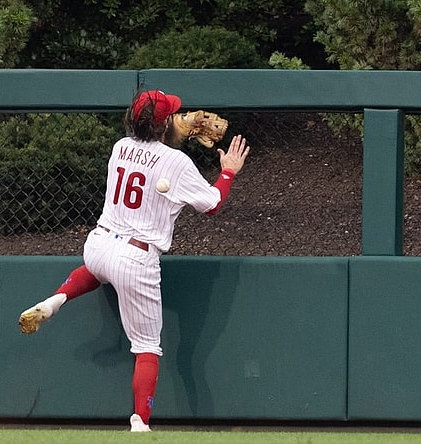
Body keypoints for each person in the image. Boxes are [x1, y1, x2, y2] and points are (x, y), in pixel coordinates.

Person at [18, 89, 250, 432]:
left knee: (96, 272)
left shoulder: (120, 147)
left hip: (99, 244)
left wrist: (169, 132)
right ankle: (140, 423)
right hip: (136, 257)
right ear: (165, 123)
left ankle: (56, 300)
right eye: (173, 115)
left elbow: (152, 156)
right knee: (146, 348)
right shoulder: (178, 162)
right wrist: (228, 171)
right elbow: (212, 203)